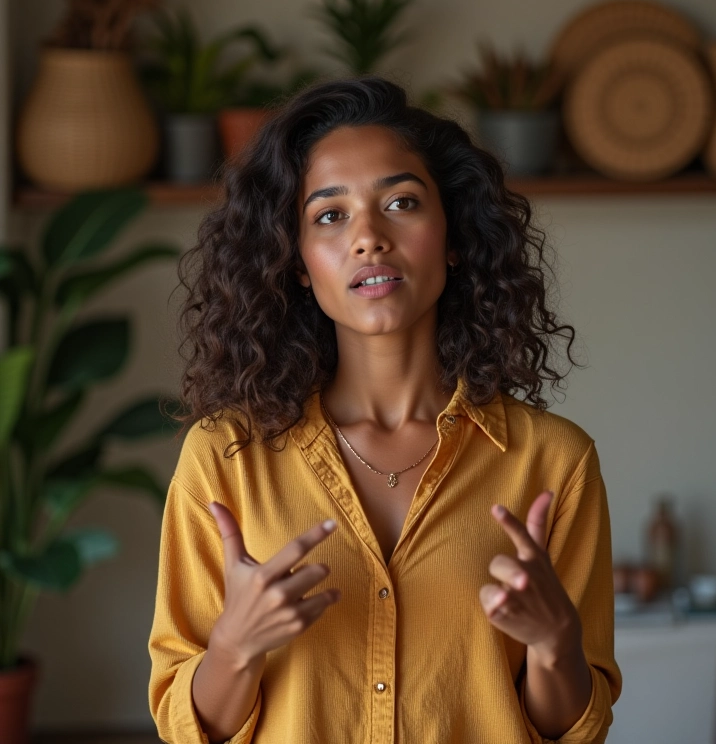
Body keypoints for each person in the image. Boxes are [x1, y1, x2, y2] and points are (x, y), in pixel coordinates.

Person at [148, 75, 622, 744]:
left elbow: (569, 728)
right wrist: (232, 649)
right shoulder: (223, 457)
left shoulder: (555, 462)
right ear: (299, 264)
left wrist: (556, 643)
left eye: (401, 202)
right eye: (330, 215)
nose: (368, 237)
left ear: (454, 237)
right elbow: (186, 726)